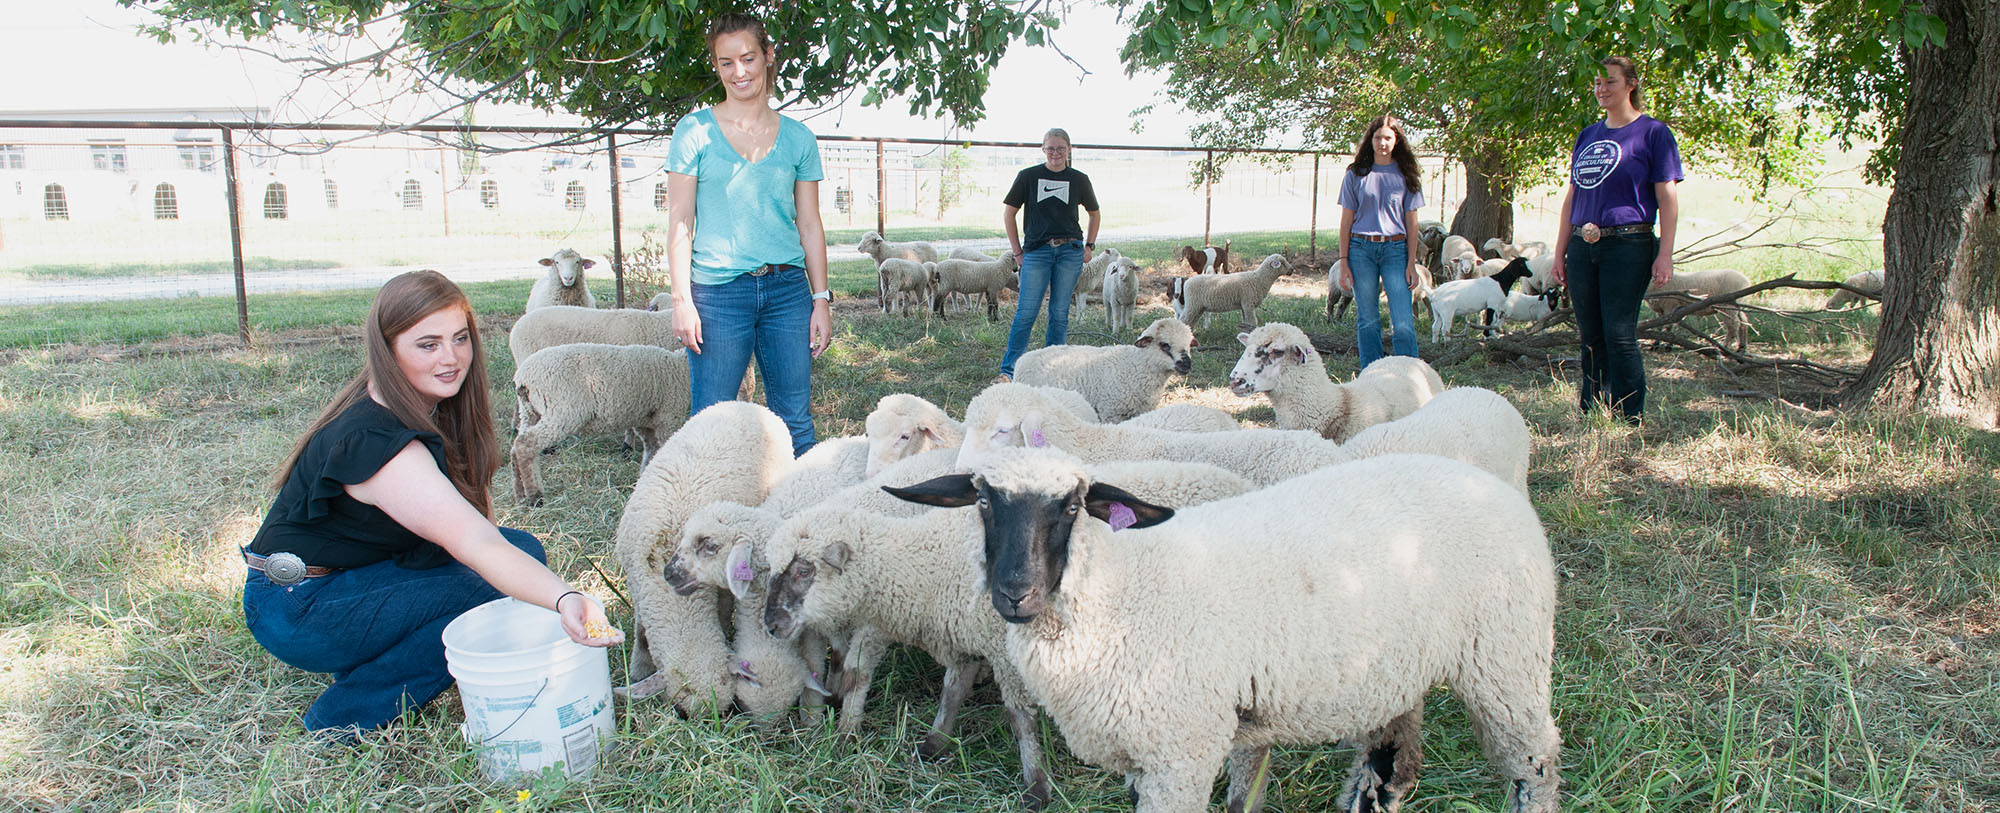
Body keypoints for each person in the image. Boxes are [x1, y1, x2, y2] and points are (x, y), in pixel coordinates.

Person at [242, 270, 622, 737]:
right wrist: (565, 596)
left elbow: (483, 527)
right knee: (491, 579)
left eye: (460, 339)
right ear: (388, 348)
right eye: (428, 344)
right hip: (297, 608)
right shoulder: (380, 441)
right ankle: (345, 716)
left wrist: (516, 578)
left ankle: (379, 661)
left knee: (519, 554)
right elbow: (476, 544)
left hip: (343, 581)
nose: (451, 358)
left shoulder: (419, 401)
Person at [666, 13, 833, 456]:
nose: (739, 72)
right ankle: (706, 520)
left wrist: (821, 299)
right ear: (717, 67)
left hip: (786, 292)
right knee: (710, 421)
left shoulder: (799, 138)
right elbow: (680, 221)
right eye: (726, 62)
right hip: (718, 294)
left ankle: (800, 520)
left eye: (748, 58)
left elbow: (810, 223)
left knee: (794, 418)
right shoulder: (694, 131)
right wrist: (682, 301)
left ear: (768, 57)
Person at [1550, 55, 1683, 424]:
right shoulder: (1588, 135)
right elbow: (1573, 197)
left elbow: (1667, 196)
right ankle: (1592, 410)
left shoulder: (1653, 133)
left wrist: (1665, 253)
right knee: (1590, 334)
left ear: (1630, 84)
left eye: (1609, 81)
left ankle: (1628, 416)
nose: (1601, 89)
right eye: (1596, 83)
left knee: (1619, 334)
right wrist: (1560, 252)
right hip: (1582, 245)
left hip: (1628, 244)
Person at [996, 127, 1101, 383]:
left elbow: (1094, 213)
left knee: (1059, 312)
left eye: (1061, 148)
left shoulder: (1079, 179)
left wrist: (1089, 246)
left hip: (1069, 252)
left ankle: (1053, 370)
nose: (1055, 153)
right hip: (1037, 253)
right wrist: (1017, 251)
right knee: (1026, 311)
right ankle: (1010, 371)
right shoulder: (1028, 177)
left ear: (1069, 150)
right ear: (1043, 149)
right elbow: (1009, 213)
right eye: (1051, 148)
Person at [1333, 115, 1427, 370]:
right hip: (1361, 250)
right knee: (1368, 321)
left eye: (1387, 137)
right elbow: (1346, 220)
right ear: (1370, 140)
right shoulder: (1356, 174)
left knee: (1403, 322)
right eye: (1377, 137)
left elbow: (1412, 223)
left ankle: (1409, 377)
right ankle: (1372, 377)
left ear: (1396, 141)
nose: (1382, 142)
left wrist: (1411, 263)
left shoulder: (1406, 175)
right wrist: (1343, 262)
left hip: (1396, 250)